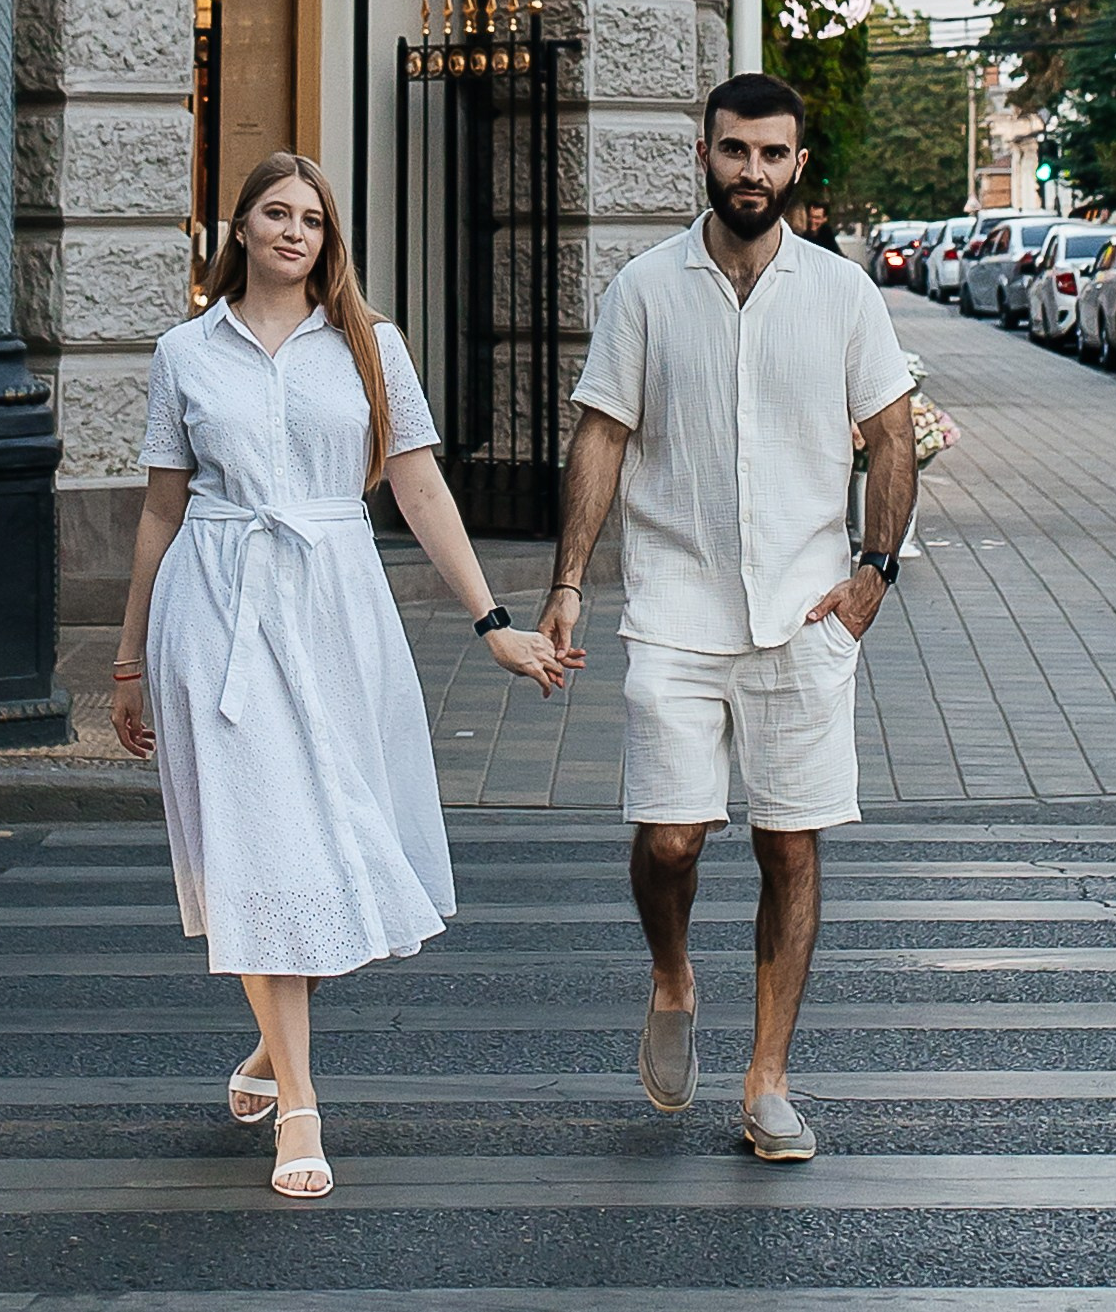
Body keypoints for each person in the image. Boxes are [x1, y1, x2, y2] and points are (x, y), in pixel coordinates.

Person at [110, 150, 561, 1202]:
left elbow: (420, 486)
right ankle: (302, 1106)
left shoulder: (369, 343)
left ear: (328, 239)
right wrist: (127, 658)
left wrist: (492, 620)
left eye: (311, 219)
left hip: (333, 606)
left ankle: (273, 1048)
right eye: (275, 212)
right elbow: (161, 508)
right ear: (239, 227)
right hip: (215, 609)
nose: (293, 231)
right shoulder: (185, 351)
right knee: (260, 847)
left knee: (335, 844)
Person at [536, 70, 917, 1164]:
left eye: (771, 152)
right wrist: (568, 581)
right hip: (675, 605)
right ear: (702, 152)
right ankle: (671, 975)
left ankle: (767, 1080)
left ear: (798, 164)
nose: (752, 170)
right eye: (734, 149)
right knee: (668, 836)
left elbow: (890, 433)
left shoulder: (841, 293)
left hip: (803, 612)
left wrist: (872, 574)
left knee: (788, 844)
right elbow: (601, 434)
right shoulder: (645, 287)